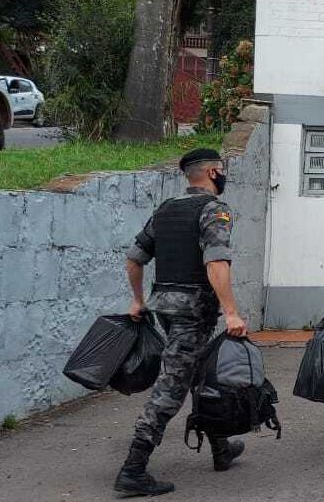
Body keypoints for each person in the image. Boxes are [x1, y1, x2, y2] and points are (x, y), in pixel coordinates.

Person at [114, 149, 247, 497]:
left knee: (199, 374)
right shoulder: (214, 210)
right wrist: (231, 311)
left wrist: (138, 300)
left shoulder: (165, 210)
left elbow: (134, 259)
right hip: (193, 311)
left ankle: (220, 448)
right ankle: (133, 469)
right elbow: (216, 263)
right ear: (213, 172)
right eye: (222, 170)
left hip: (165, 308)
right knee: (172, 384)